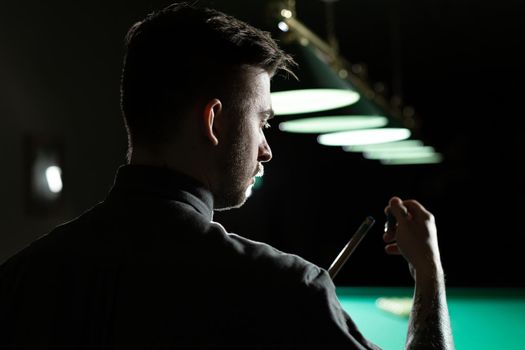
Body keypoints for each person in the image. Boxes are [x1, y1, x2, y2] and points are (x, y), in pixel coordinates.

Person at [0, 2, 454, 349]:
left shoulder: (20, 281)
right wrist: (429, 274)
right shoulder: (287, 290)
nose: (267, 148)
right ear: (214, 122)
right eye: (263, 122)